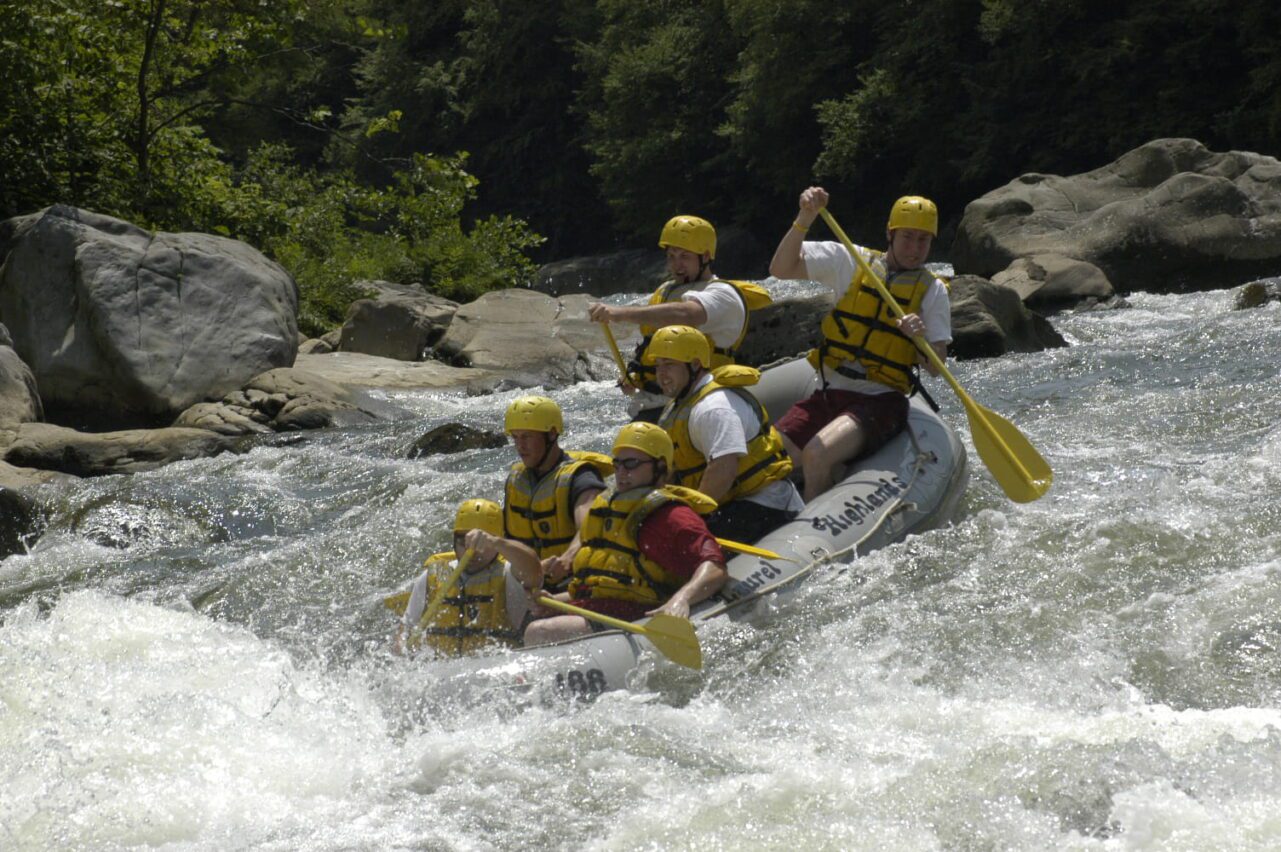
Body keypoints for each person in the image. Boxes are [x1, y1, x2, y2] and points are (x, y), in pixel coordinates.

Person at [769, 188, 952, 502]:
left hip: (880, 400)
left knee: (817, 453)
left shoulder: (933, 291)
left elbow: (936, 367)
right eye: (908, 237)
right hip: (828, 391)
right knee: (764, 458)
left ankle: (810, 534)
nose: (915, 248)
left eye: (924, 240)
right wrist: (805, 217)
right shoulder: (851, 262)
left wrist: (917, 337)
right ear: (890, 234)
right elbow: (781, 269)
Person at [523, 422, 729, 645]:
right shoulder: (606, 509)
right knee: (531, 618)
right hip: (603, 610)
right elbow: (599, 588)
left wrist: (682, 599)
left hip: (640, 614)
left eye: (631, 464)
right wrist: (554, 601)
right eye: (617, 464)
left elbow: (715, 567)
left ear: (659, 467)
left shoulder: (672, 516)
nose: (621, 473)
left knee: (541, 631)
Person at [588, 215, 772, 422]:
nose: (677, 265)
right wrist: (638, 377)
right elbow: (655, 345)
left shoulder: (723, 294)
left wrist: (619, 313)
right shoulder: (666, 291)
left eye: (685, 256)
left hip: (699, 401)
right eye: (671, 256)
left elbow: (688, 315)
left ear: (705, 256)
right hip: (654, 404)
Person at [647, 325, 802, 542]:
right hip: (728, 501)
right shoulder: (681, 406)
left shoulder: (713, 408)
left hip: (766, 504)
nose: (661, 374)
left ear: (695, 365)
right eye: (658, 366)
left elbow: (724, 470)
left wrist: (692, 519)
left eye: (670, 365)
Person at [388, 498, 543, 656]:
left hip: (494, 670)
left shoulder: (509, 575)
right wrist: (403, 652)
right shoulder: (432, 577)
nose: (473, 551)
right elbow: (404, 631)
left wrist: (495, 542)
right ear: (454, 541)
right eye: (464, 542)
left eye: (482, 544)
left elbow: (534, 569)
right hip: (441, 673)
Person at [502, 395, 611, 593]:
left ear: (551, 434)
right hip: (525, 585)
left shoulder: (581, 477)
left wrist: (569, 556)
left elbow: (592, 525)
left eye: (527, 436)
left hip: (568, 585)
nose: (520, 446)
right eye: (515, 437)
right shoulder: (516, 479)